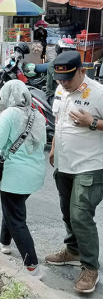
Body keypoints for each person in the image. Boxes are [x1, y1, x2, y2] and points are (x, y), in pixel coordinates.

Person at [0, 80, 46, 278]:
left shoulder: (10, 114)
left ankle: (32, 266)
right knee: (12, 209)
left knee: (17, 220)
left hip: (16, 177)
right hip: (35, 174)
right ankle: (4, 243)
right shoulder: (37, 114)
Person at [45, 50, 103, 294]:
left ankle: (91, 267)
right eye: (60, 79)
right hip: (64, 164)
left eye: (68, 78)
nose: (64, 83)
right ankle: (73, 250)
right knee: (67, 212)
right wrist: (54, 149)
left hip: (90, 165)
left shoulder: (98, 93)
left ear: (82, 70)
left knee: (80, 215)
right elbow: (59, 121)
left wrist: (93, 122)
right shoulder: (61, 89)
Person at [45, 38, 76, 102]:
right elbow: (60, 82)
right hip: (53, 94)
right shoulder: (52, 65)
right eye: (65, 50)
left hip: (68, 93)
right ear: (59, 51)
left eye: (70, 51)